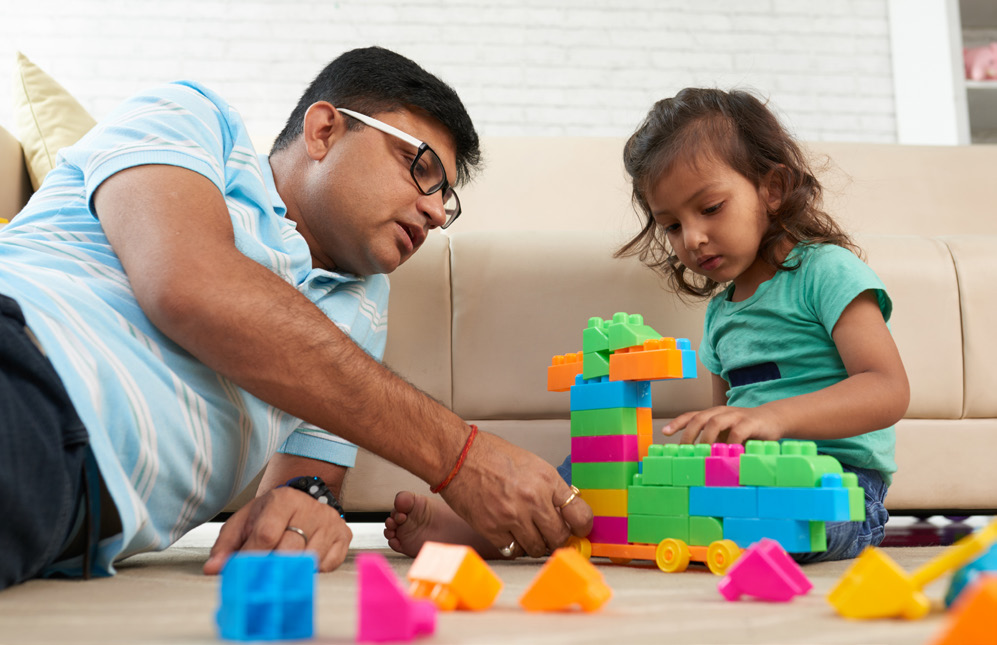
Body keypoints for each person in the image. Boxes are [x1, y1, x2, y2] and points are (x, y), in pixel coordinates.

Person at [0, 46, 591, 591]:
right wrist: (462, 457)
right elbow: (190, 287)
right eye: (420, 167)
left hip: (76, 514)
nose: (437, 212)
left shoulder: (362, 304)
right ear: (323, 130)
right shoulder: (189, 117)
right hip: (24, 358)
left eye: (448, 198)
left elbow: (305, 487)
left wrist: (305, 509)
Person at [384, 87, 909, 565]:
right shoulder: (721, 313)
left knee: (780, 529)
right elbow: (729, 419)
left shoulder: (827, 272)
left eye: (710, 208)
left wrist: (775, 417)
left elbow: (887, 389)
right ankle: (491, 529)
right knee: (595, 470)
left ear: (772, 189)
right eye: (673, 225)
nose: (694, 238)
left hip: (841, 486)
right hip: (746, 477)